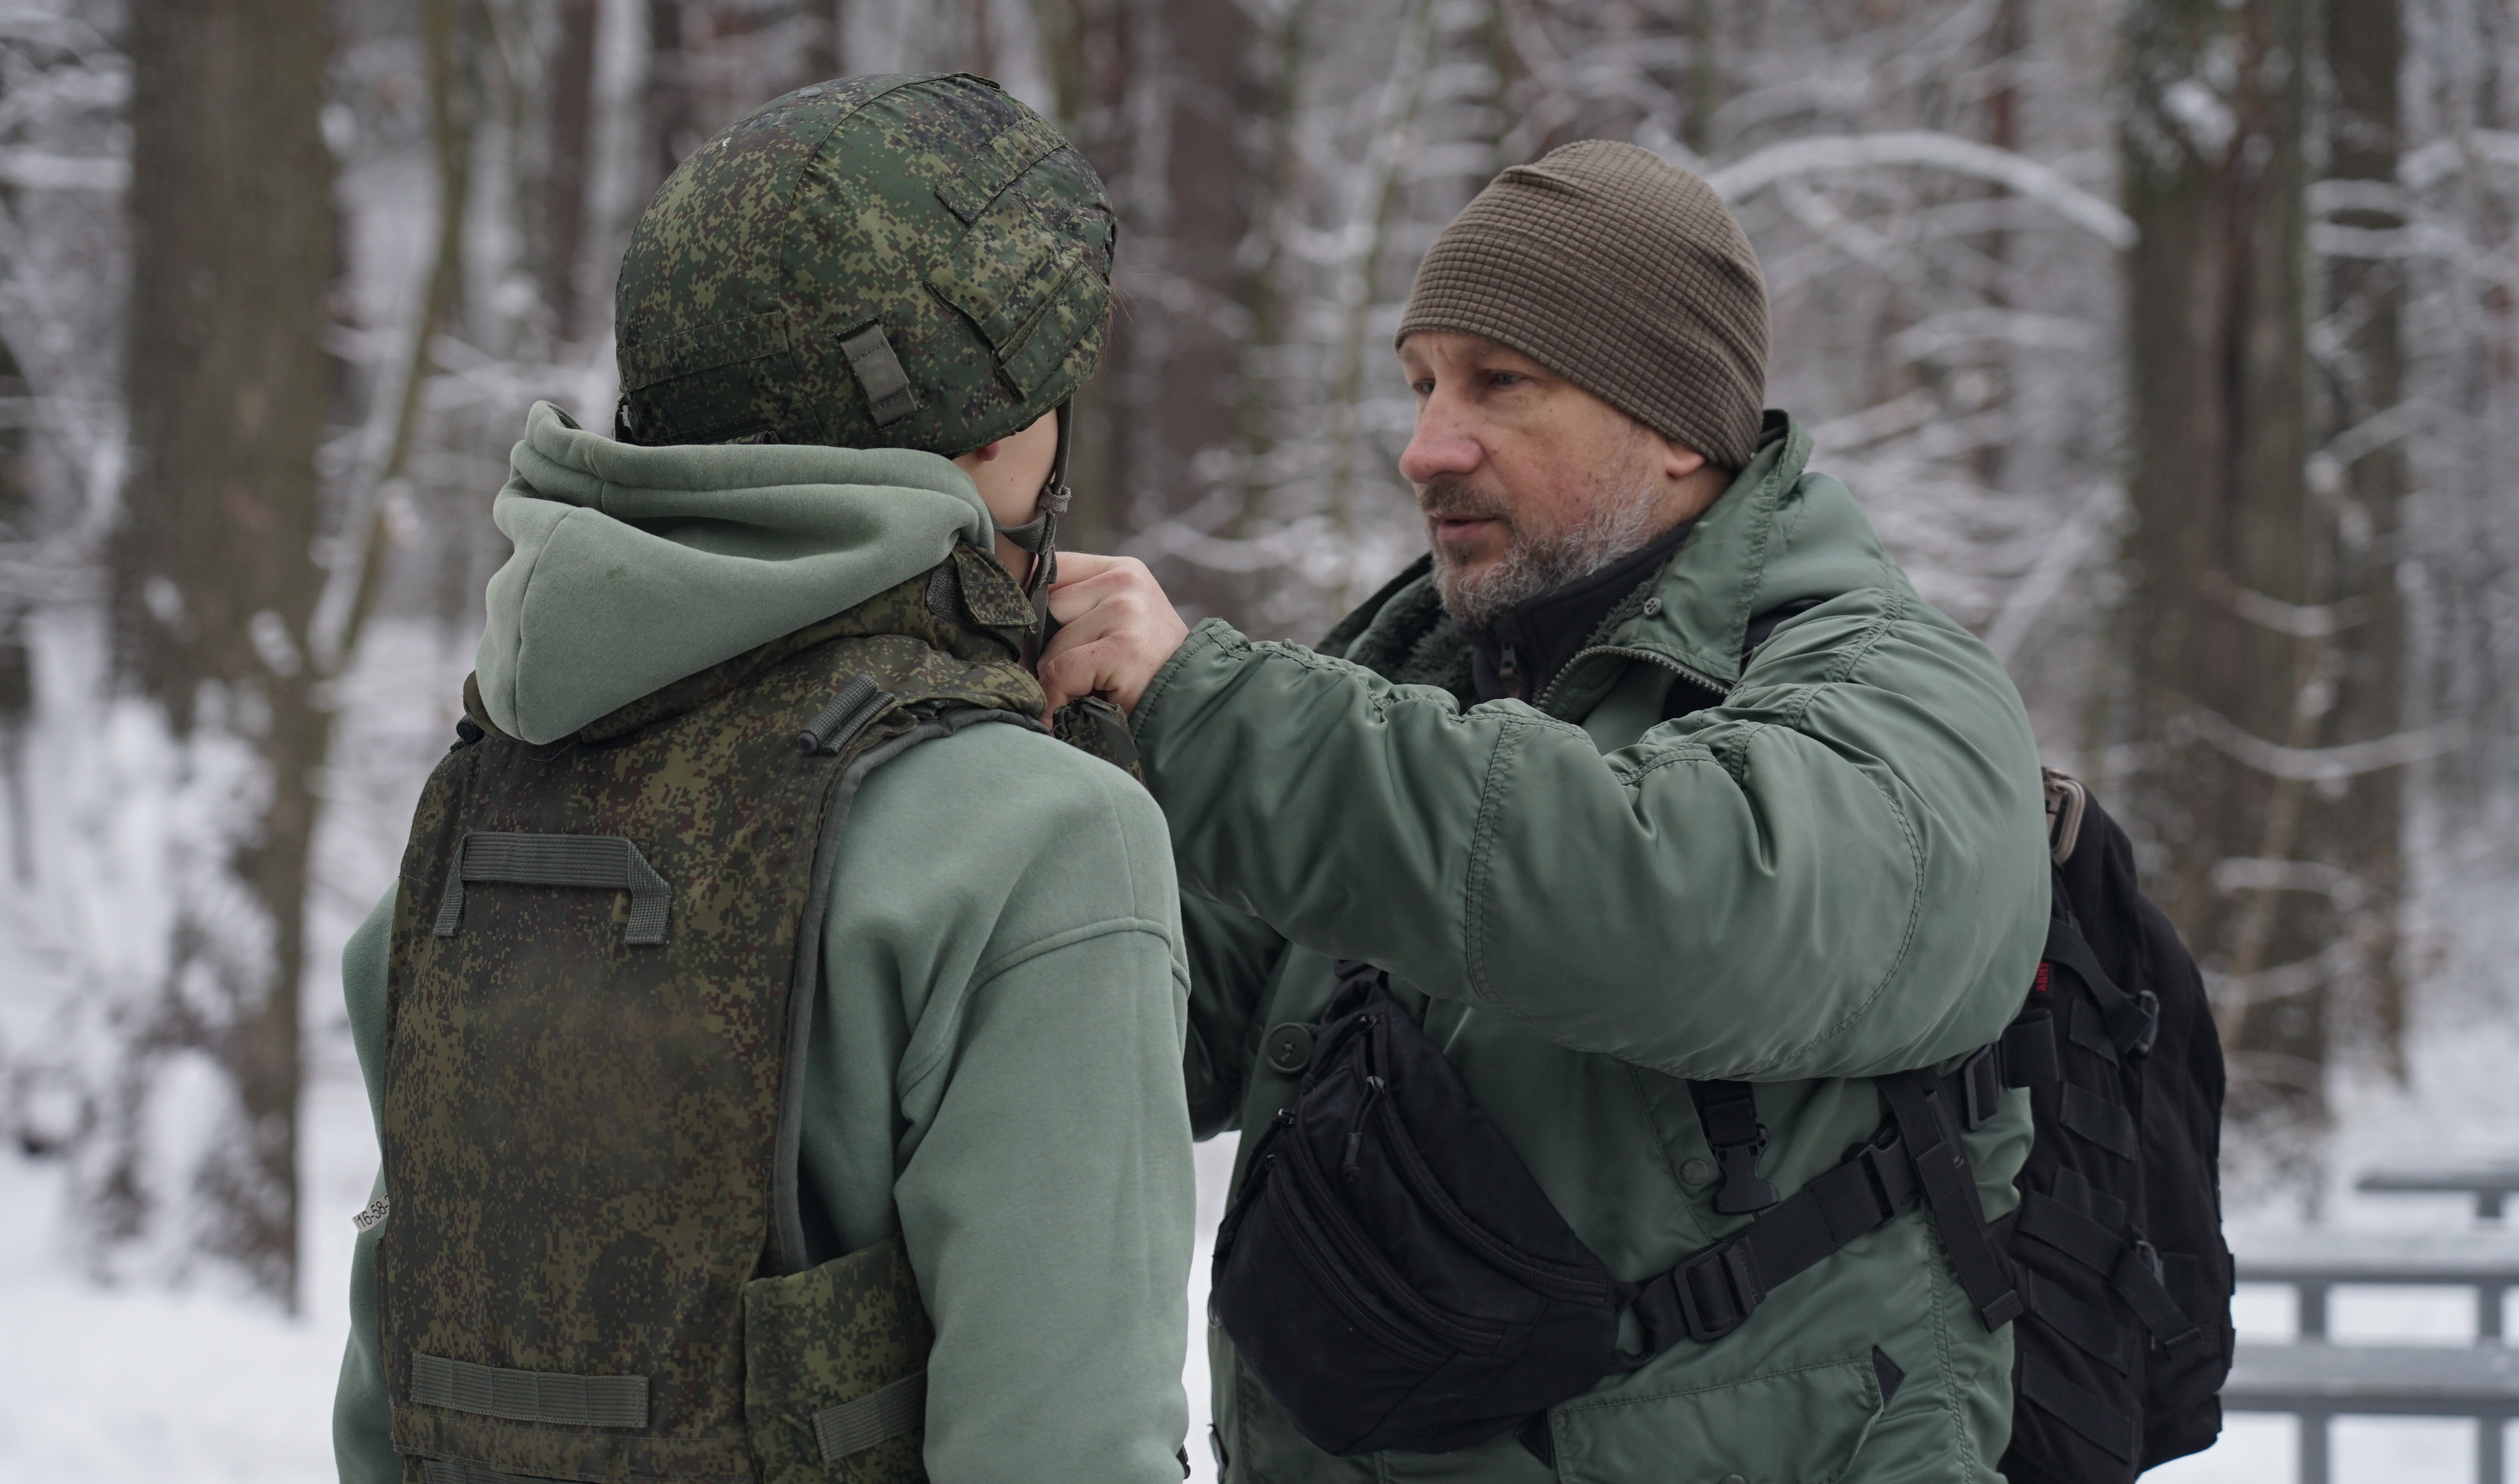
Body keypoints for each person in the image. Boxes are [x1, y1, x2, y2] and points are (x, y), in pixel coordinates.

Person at [1043, 141, 2049, 1481]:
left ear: (1682, 420)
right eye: (1418, 385)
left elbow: (1680, 904)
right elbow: (1164, 1007)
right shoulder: (1418, 677)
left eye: (1499, 384)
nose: (1424, 448)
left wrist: (1207, 710)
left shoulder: (1898, 692)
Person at [332, 74, 1192, 1484]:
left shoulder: (490, 792)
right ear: (990, 430)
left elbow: (392, 1408)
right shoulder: (1043, 843)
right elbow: (1068, 1446)